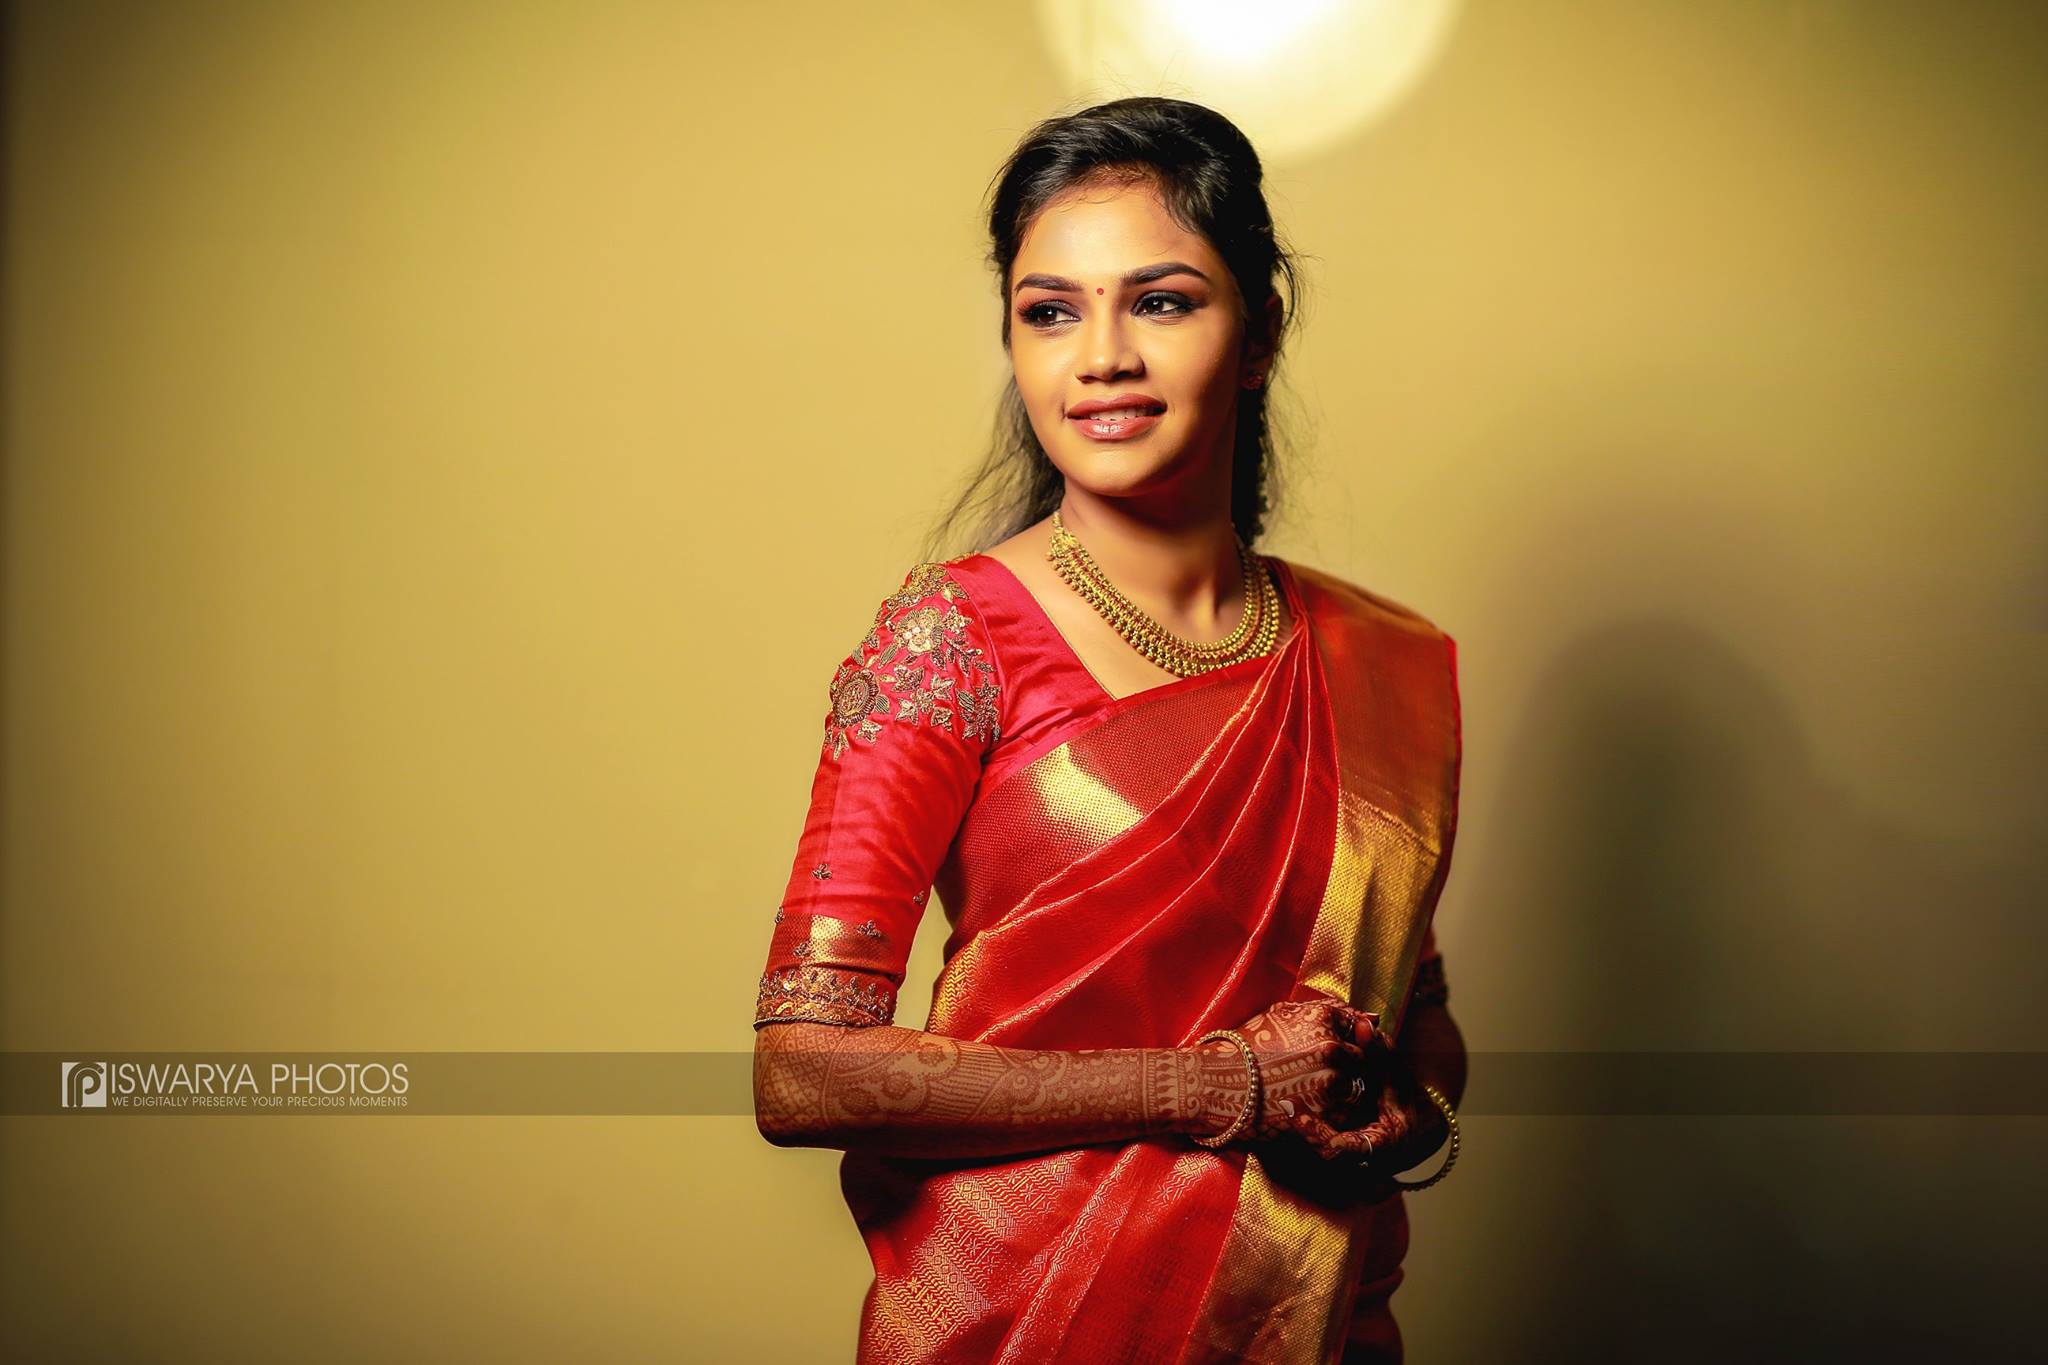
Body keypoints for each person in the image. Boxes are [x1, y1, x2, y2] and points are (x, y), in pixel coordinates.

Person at [751, 96, 1466, 1365]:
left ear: (1258, 335)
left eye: (1161, 301)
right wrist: (1215, 1090)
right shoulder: (952, 642)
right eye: (1049, 311)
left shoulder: (1377, 664)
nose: (1099, 358)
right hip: (1020, 1321)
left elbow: (1414, 1037)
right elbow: (804, 1073)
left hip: (1313, 1322)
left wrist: (1384, 1110)